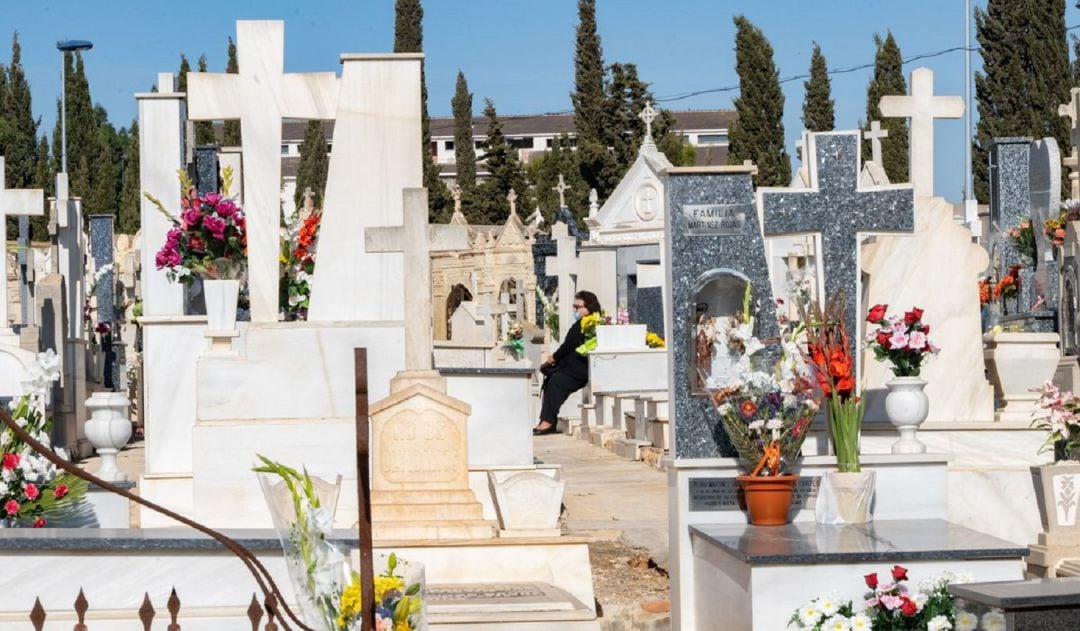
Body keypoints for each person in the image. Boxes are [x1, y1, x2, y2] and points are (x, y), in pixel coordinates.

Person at [533, 290, 602, 436]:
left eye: (578, 307)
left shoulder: (590, 324)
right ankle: (547, 420)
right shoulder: (582, 323)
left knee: (556, 381)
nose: (575, 310)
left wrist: (554, 357)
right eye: (574, 306)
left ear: (589, 308)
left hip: (580, 370)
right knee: (552, 379)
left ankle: (547, 421)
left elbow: (569, 345)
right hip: (571, 367)